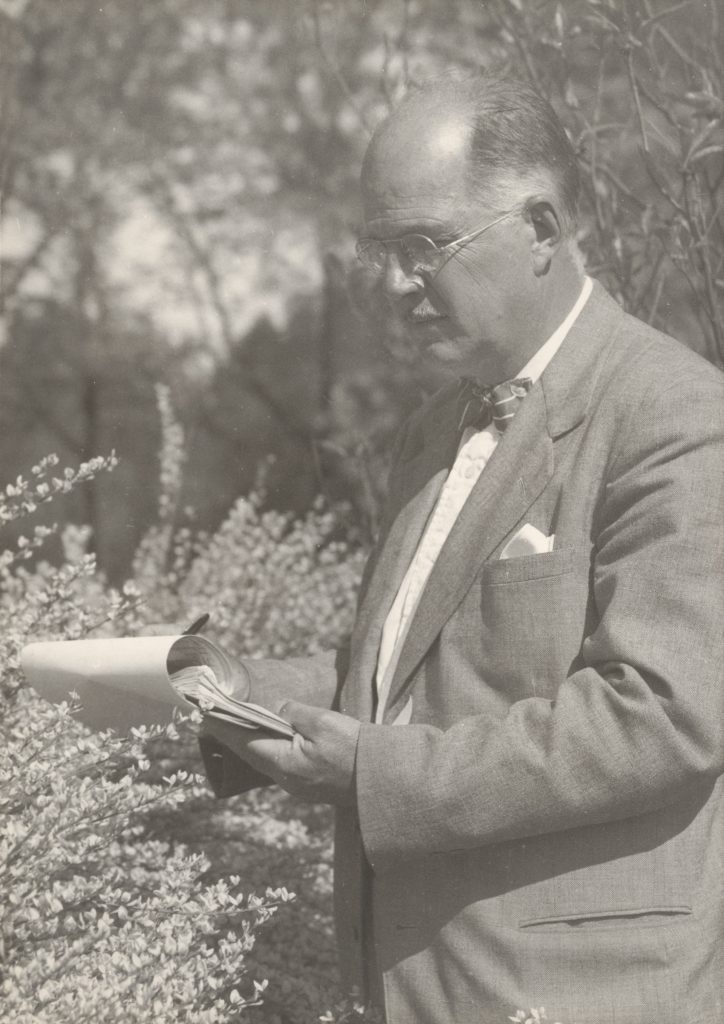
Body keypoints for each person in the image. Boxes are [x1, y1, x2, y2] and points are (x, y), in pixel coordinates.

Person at [199, 73, 724, 1024]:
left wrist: (372, 774)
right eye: (378, 248)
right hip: (420, 986)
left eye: (424, 246)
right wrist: (219, 690)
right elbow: (408, 675)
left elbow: (663, 717)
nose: (394, 285)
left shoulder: (675, 414)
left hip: (581, 994)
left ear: (543, 230)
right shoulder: (434, 430)